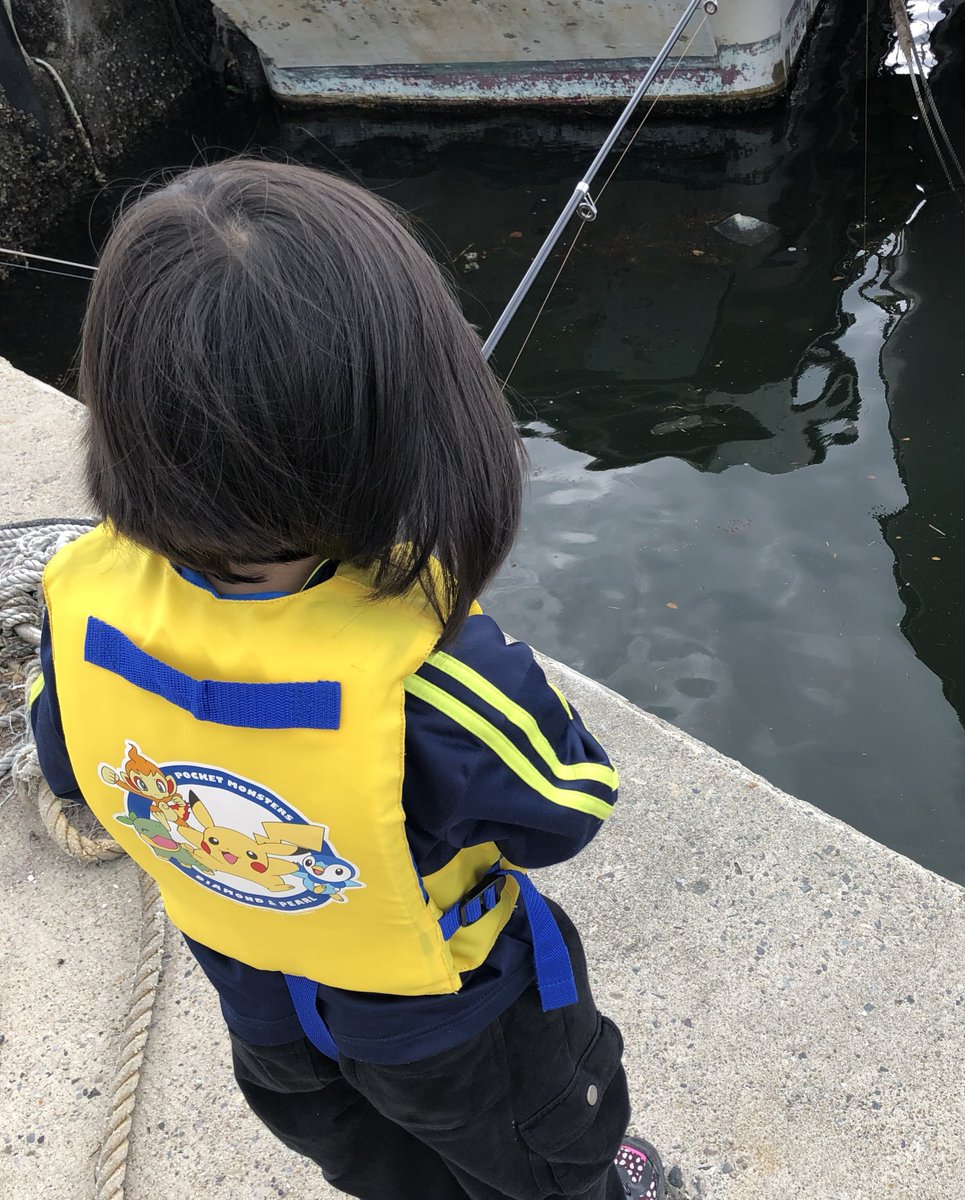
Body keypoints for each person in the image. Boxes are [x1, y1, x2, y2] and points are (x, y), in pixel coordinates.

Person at [29, 157, 663, 1200]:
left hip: (257, 1000)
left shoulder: (76, 595)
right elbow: (567, 806)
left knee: (371, 1160)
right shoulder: (434, 681)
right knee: (544, 1160)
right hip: (449, 1020)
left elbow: (66, 757)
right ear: (421, 430)